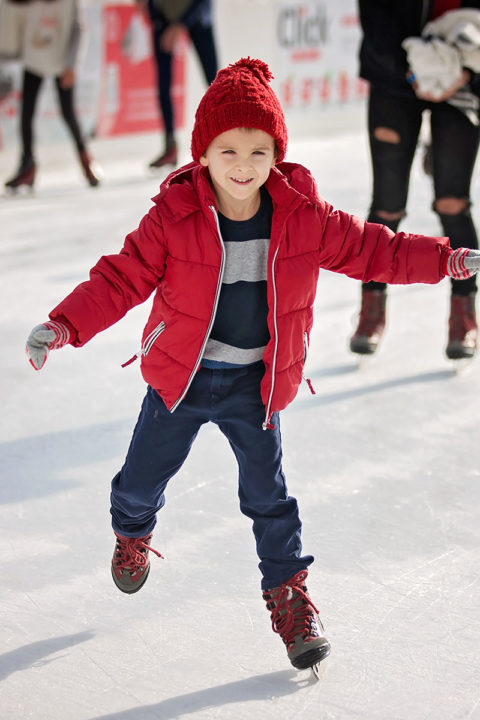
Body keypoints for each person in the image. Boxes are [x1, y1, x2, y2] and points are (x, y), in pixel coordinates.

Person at [24, 57, 480, 671]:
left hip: (255, 385)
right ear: (203, 153)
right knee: (136, 486)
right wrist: (64, 324)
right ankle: (132, 535)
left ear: (276, 154)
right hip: (180, 382)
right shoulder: (173, 217)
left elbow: (377, 249)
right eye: (229, 149)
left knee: (270, 499)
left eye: (259, 151)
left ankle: (290, 597)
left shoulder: (302, 217)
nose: (244, 165)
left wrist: (445, 260)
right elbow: (120, 278)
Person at [350, 1, 480, 360]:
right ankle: (371, 312)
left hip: (462, 79)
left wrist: (467, 76)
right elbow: (376, 19)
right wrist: (410, 74)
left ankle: (463, 316)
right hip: (394, 81)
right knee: (387, 205)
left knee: (452, 202)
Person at [3, 0, 101, 191]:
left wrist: (72, 65)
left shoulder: (68, 3)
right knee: (27, 113)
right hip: (34, 58)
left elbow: (78, 29)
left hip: (61, 61)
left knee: (68, 112)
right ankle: (27, 164)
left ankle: (85, 158)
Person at [136, 0, 217, 169]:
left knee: (214, 83)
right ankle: (170, 145)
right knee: (163, 84)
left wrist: (179, 25)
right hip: (164, 14)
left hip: (197, 13)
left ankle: (225, 137)